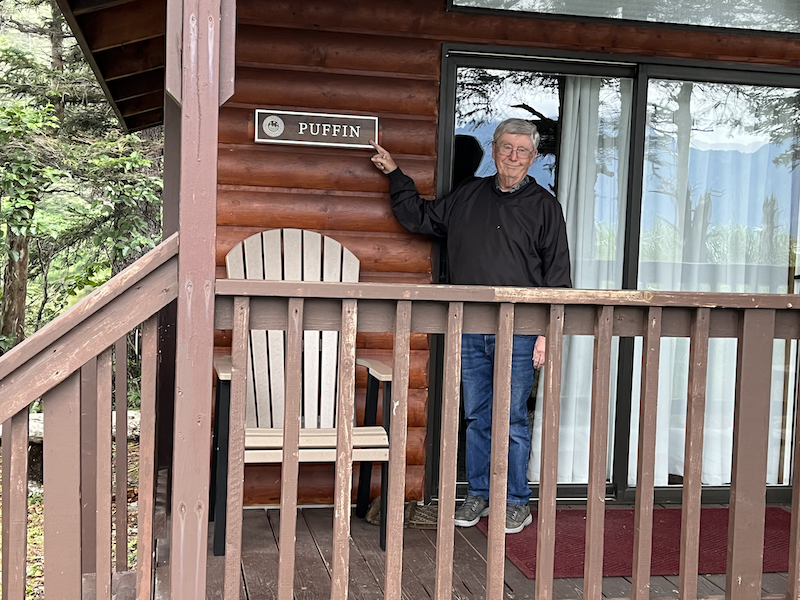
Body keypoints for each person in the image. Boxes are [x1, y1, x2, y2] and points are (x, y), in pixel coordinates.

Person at [370, 118, 571, 534]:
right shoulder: (468, 196)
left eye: (522, 151)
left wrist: (548, 333)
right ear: (494, 150)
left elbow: (558, 276)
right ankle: (479, 494)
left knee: (512, 418)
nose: (513, 157)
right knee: (479, 416)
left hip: (520, 329)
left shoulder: (545, 207)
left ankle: (516, 501)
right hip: (471, 327)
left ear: (533, 159)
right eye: (506, 148)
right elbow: (420, 217)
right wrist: (395, 175)